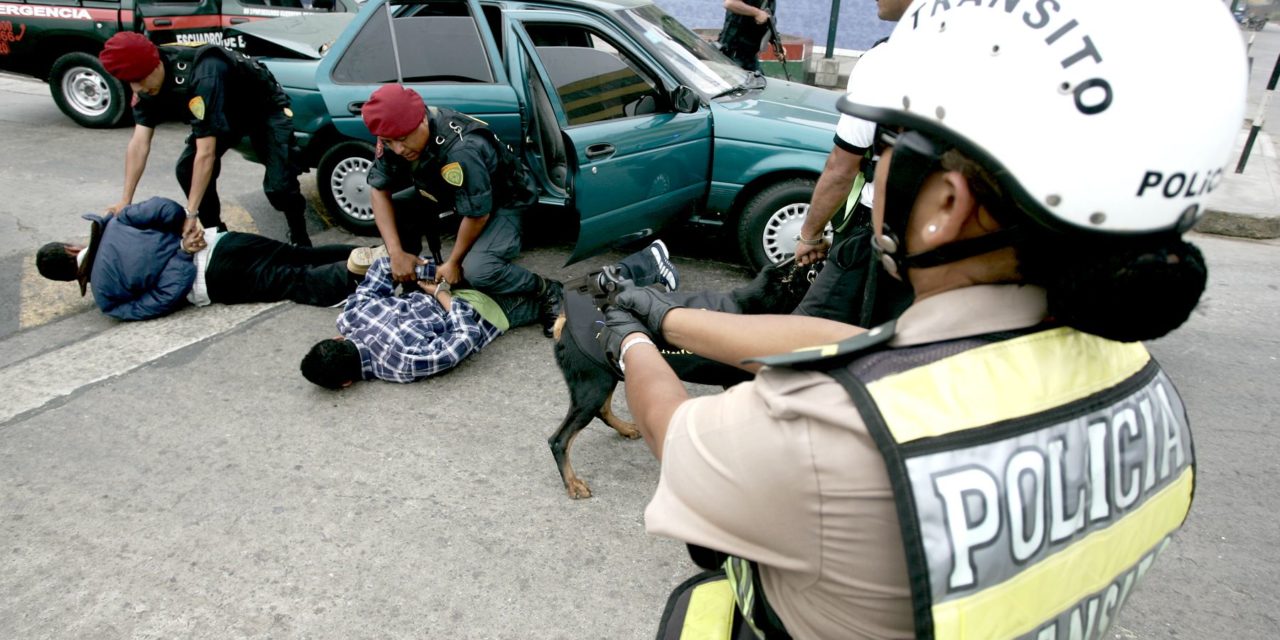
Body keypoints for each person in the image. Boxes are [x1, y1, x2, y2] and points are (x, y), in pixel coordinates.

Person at [597, 0, 1244, 637]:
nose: (878, 177)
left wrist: (630, 343)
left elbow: (678, 432)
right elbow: (857, 348)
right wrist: (672, 318)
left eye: (892, 153)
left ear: (944, 203)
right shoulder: (1148, 396)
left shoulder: (830, 438)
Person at [300, 241, 678, 388]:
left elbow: (462, 341)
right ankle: (646, 264)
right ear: (336, 340)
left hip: (478, 308)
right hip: (449, 283)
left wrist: (446, 297)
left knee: (575, 299)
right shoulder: (350, 318)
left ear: (347, 383)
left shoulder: (399, 366)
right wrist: (432, 278)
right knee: (569, 297)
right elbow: (386, 269)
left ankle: (646, 265)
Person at [359, 84, 563, 336]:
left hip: (508, 201)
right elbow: (379, 190)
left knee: (477, 269)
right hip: (457, 197)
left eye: (402, 139)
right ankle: (413, 279)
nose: (398, 149)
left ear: (422, 118)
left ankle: (546, 290)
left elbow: (478, 214)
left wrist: (453, 262)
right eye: (389, 142)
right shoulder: (394, 136)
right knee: (398, 205)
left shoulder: (461, 149)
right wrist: (396, 253)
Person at [97, 32, 314, 247]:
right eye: (131, 83)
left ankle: (299, 233)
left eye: (140, 80)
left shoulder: (203, 73)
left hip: (264, 109)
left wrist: (191, 213)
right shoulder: (146, 85)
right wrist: (125, 201)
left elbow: (206, 153)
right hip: (224, 113)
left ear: (156, 65)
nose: (138, 88)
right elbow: (139, 143)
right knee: (187, 170)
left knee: (279, 188)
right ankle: (217, 234)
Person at [36, 196, 365, 321]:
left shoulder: (107, 298)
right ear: (70, 248)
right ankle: (384, 256)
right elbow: (164, 208)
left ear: (70, 279)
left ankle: (369, 274)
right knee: (298, 254)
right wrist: (186, 231)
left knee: (294, 281)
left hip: (214, 281)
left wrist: (182, 255)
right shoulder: (117, 222)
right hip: (221, 242)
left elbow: (162, 299)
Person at [790, 0, 914, 327]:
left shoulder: (887, 60)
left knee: (809, 335)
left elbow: (842, 167)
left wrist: (810, 235)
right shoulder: (988, 57)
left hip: (878, 234)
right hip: (961, 238)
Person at [717, 0, 774, 72]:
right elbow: (730, 3)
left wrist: (776, 45)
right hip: (732, 53)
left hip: (750, 57)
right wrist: (757, 13)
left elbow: (767, 21)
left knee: (761, 81)